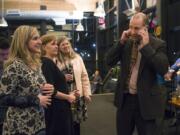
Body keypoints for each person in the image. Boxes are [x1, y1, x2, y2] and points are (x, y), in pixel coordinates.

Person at [106, 12, 169, 135]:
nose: (132, 31)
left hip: (146, 103)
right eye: (130, 27)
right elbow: (109, 61)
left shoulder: (158, 44)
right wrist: (121, 42)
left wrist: (146, 47)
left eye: (136, 28)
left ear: (145, 28)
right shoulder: (127, 42)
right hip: (125, 100)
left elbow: (163, 68)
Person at [0, 25, 53, 135]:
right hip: (19, 127)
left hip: (38, 123)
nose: (39, 42)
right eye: (35, 38)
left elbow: (29, 88)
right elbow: (4, 98)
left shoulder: (35, 64)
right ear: (23, 41)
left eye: (39, 38)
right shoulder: (14, 66)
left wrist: (44, 88)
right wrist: (35, 100)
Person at [41, 34, 78, 135]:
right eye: (53, 44)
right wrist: (68, 97)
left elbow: (55, 86)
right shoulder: (47, 63)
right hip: (57, 111)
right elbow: (50, 91)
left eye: (56, 44)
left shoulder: (49, 62)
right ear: (44, 47)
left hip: (60, 109)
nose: (56, 46)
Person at [57, 36, 91, 135]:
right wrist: (63, 77)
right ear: (59, 47)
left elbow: (84, 77)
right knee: (64, 124)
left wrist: (87, 94)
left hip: (77, 96)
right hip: (63, 97)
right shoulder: (55, 59)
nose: (66, 46)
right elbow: (53, 77)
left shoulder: (77, 58)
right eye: (62, 44)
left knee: (76, 123)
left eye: (67, 43)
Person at [0, 37, 10, 135]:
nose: (6, 57)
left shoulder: (13, 67)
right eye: (2, 54)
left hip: (10, 112)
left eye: (8, 53)